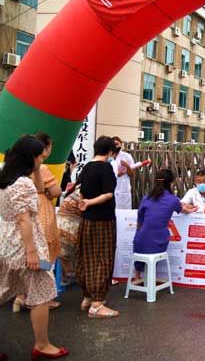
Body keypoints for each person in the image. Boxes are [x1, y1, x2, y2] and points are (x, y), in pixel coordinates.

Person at [0, 135, 69, 359]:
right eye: (40, 156)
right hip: (24, 243)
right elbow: (24, 219)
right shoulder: (23, 183)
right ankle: (42, 344)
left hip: (6, 241)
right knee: (41, 292)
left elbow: (39, 188)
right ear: (30, 157)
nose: (43, 159)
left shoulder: (6, 178)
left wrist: (37, 168)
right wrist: (31, 252)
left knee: (3, 290)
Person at [13, 133, 62, 312]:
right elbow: (54, 191)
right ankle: (39, 299)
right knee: (43, 255)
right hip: (40, 214)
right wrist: (49, 192)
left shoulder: (13, 171)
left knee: (24, 259)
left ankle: (20, 296)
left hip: (14, 223)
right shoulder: (40, 169)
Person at [72, 136, 119, 318]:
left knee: (85, 257)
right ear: (110, 152)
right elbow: (108, 194)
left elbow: (81, 191)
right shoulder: (105, 168)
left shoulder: (87, 167)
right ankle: (97, 304)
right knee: (102, 259)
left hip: (86, 220)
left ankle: (87, 297)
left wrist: (84, 202)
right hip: (103, 220)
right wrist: (90, 202)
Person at [132, 169, 196, 281]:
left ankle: (137, 276)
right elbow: (182, 210)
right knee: (153, 255)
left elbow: (139, 220)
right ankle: (150, 280)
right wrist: (192, 209)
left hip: (140, 239)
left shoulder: (146, 198)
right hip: (159, 240)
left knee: (140, 248)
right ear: (171, 183)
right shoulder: (173, 199)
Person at [111, 136, 150, 210]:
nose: (115, 146)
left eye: (117, 144)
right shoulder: (108, 156)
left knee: (124, 212)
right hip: (111, 189)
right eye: (113, 144)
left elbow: (132, 174)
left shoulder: (127, 156)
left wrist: (127, 166)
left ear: (121, 144)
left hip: (123, 190)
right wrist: (117, 174)